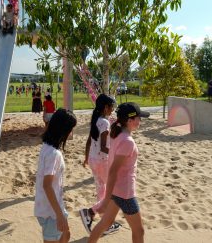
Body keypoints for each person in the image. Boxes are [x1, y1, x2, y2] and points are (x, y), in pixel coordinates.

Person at [88, 102, 149, 243]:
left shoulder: (117, 134)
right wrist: (105, 200)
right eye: (138, 118)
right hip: (125, 193)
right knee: (139, 231)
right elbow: (114, 171)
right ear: (129, 121)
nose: (140, 121)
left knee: (105, 223)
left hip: (117, 191)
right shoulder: (128, 141)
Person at [80, 94, 121, 235]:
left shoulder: (97, 120)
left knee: (101, 191)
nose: (112, 110)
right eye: (112, 107)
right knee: (112, 192)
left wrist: (86, 158)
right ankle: (90, 213)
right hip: (102, 161)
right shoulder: (104, 122)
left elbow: (89, 141)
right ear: (105, 107)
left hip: (93, 160)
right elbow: (104, 147)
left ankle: (106, 222)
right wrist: (117, 154)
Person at [35, 109, 77, 243]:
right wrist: (59, 215)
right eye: (71, 129)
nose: (71, 132)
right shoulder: (54, 154)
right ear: (63, 130)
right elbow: (47, 186)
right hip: (50, 212)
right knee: (59, 236)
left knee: (66, 235)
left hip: (51, 207)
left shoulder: (46, 146)